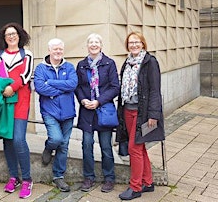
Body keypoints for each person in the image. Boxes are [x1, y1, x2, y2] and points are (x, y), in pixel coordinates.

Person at [0, 22, 35, 199]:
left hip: (20, 102)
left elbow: (26, 75)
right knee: (7, 140)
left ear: (20, 35)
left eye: (14, 33)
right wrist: (2, 90)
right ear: (4, 38)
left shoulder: (26, 54)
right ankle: (14, 176)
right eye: (8, 35)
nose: (12, 37)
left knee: (19, 140)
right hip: (3, 102)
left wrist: (11, 88)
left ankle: (27, 179)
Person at [117, 31, 165, 200]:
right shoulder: (127, 62)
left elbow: (155, 90)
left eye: (137, 42)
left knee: (134, 148)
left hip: (142, 113)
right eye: (131, 43)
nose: (134, 45)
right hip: (128, 111)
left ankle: (135, 187)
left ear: (143, 44)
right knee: (140, 146)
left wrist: (153, 114)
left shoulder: (149, 62)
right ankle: (148, 182)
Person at [75, 33, 120, 193]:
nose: (94, 45)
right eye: (91, 42)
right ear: (87, 46)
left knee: (106, 147)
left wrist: (99, 101)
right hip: (87, 111)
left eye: (97, 42)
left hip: (103, 110)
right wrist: (83, 100)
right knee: (86, 145)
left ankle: (109, 178)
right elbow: (78, 87)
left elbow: (115, 87)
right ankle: (89, 177)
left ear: (101, 45)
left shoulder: (109, 63)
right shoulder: (81, 65)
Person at [33, 38, 78, 192]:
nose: (58, 52)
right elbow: (40, 87)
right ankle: (48, 148)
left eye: (60, 49)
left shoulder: (69, 67)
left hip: (67, 112)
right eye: (55, 49)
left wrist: (51, 82)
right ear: (49, 50)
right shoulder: (40, 68)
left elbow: (72, 84)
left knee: (64, 145)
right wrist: (62, 90)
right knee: (56, 139)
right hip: (49, 111)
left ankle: (58, 176)